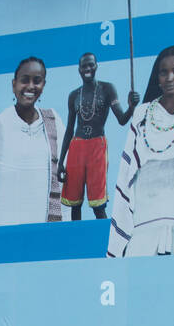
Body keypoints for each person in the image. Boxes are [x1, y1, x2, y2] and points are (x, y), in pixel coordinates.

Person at [106, 46, 174, 258]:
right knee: (141, 287)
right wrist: (121, 236)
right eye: (163, 72)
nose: (170, 77)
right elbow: (127, 172)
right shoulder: (142, 113)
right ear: (157, 77)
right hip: (145, 220)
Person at [0, 57, 64, 226]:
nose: (30, 87)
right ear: (14, 84)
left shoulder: (53, 120)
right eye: (24, 80)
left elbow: (65, 178)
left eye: (37, 81)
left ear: (44, 85)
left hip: (46, 228)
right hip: (7, 229)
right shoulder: (1, 124)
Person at [59, 53, 139, 220]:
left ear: (96, 66)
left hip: (97, 147)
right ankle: (77, 242)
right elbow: (69, 130)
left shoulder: (107, 89)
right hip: (76, 148)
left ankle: (105, 242)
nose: (87, 69)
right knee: (75, 204)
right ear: (79, 69)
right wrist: (61, 163)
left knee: (98, 206)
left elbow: (122, 120)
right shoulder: (74, 95)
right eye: (84, 66)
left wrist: (131, 107)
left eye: (91, 65)